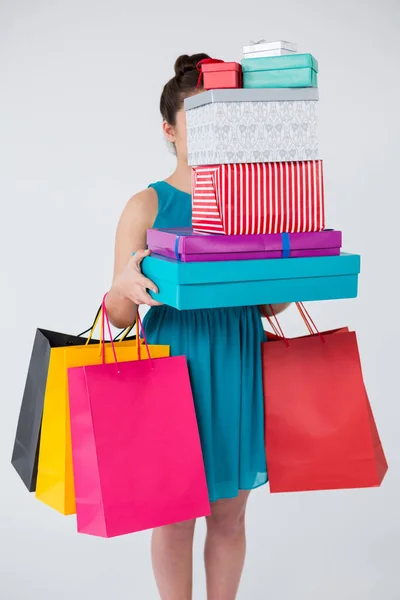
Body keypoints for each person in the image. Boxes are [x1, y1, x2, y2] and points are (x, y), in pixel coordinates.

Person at [105, 53, 289, 600]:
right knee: (174, 517)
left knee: (229, 515)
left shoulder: (248, 201)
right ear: (169, 129)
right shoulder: (146, 204)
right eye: (196, 123)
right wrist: (123, 285)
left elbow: (269, 309)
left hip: (237, 358)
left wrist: (291, 266)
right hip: (172, 364)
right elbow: (118, 317)